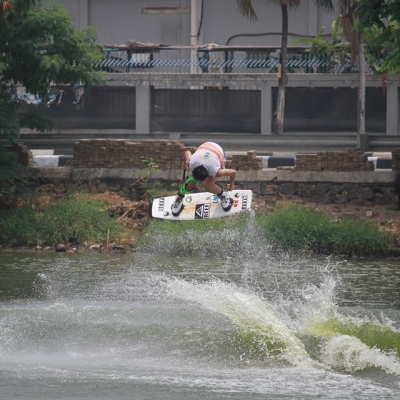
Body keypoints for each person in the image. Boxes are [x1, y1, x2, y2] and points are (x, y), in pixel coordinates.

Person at [171, 142, 236, 216]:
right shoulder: (191, 162)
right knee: (191, 183)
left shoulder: (216, 171)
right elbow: (187, 152)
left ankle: (223, 196)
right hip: (205, 146)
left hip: (218, 152)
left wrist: (231, 185)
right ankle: (179, 198)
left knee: (208, 186)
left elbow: (233, 172)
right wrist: (185, 161)